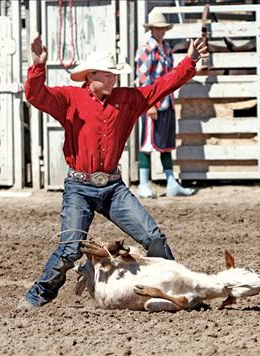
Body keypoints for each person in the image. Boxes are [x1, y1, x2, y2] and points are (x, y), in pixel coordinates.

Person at [17, 33, 208, 311]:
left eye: (114, 75)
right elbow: (36, 95)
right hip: (79, 187)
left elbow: (161, 87)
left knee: (153, 237)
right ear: (90, 76)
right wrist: (37, 67)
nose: (113, 79)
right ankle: (38, 296)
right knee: (70, 247)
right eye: (108, 75)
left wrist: (189, 60)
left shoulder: (128, 99)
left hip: (113, 187)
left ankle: (177, 286)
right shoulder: (69, 99)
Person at [135, 11, 196, 198]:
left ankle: (171, 182)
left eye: (162, 28)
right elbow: (142, 78)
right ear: (152, 29)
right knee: (147, 143)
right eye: (157, 28)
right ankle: (143, 183)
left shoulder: (166, 48)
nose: (160, 31)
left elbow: (171, 74)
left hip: (167, 101)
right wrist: (149, 103)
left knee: (166, 143)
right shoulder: (146, 49)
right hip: (153, 102)